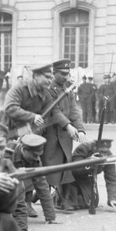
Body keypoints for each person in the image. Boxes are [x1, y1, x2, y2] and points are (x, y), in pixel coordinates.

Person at [45, 59, 86, 211]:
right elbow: (54, 111)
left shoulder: (67, 89)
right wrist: (68, 126)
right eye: (62, 74)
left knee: (66, 166)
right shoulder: (48, 89)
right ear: (54, 73)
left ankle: (65, 199)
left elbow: (74, 111)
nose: (65, 77)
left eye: (67, 74)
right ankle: (42, 198)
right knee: (50, 168)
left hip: (65, 136)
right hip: (51, 135)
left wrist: (80, 129)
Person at [7, 133, 57, 231]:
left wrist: (50, 217)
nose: (37, 158)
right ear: (25, 150)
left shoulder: (34, 159)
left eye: (39, 155)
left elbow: (42, 186)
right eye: (35, 155)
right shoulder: (7, 153)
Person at [70, 138, 116, 211]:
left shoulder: (109, 156)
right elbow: (74, 170)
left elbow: (112, 179)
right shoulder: (83, 149)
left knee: (93, 202)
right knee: (76, 203)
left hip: (89, 180)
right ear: (95, 147)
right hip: (73, 180)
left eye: (106, 152)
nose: (104, 155)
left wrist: (112, 199)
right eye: (102, 152)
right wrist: (88, 162)